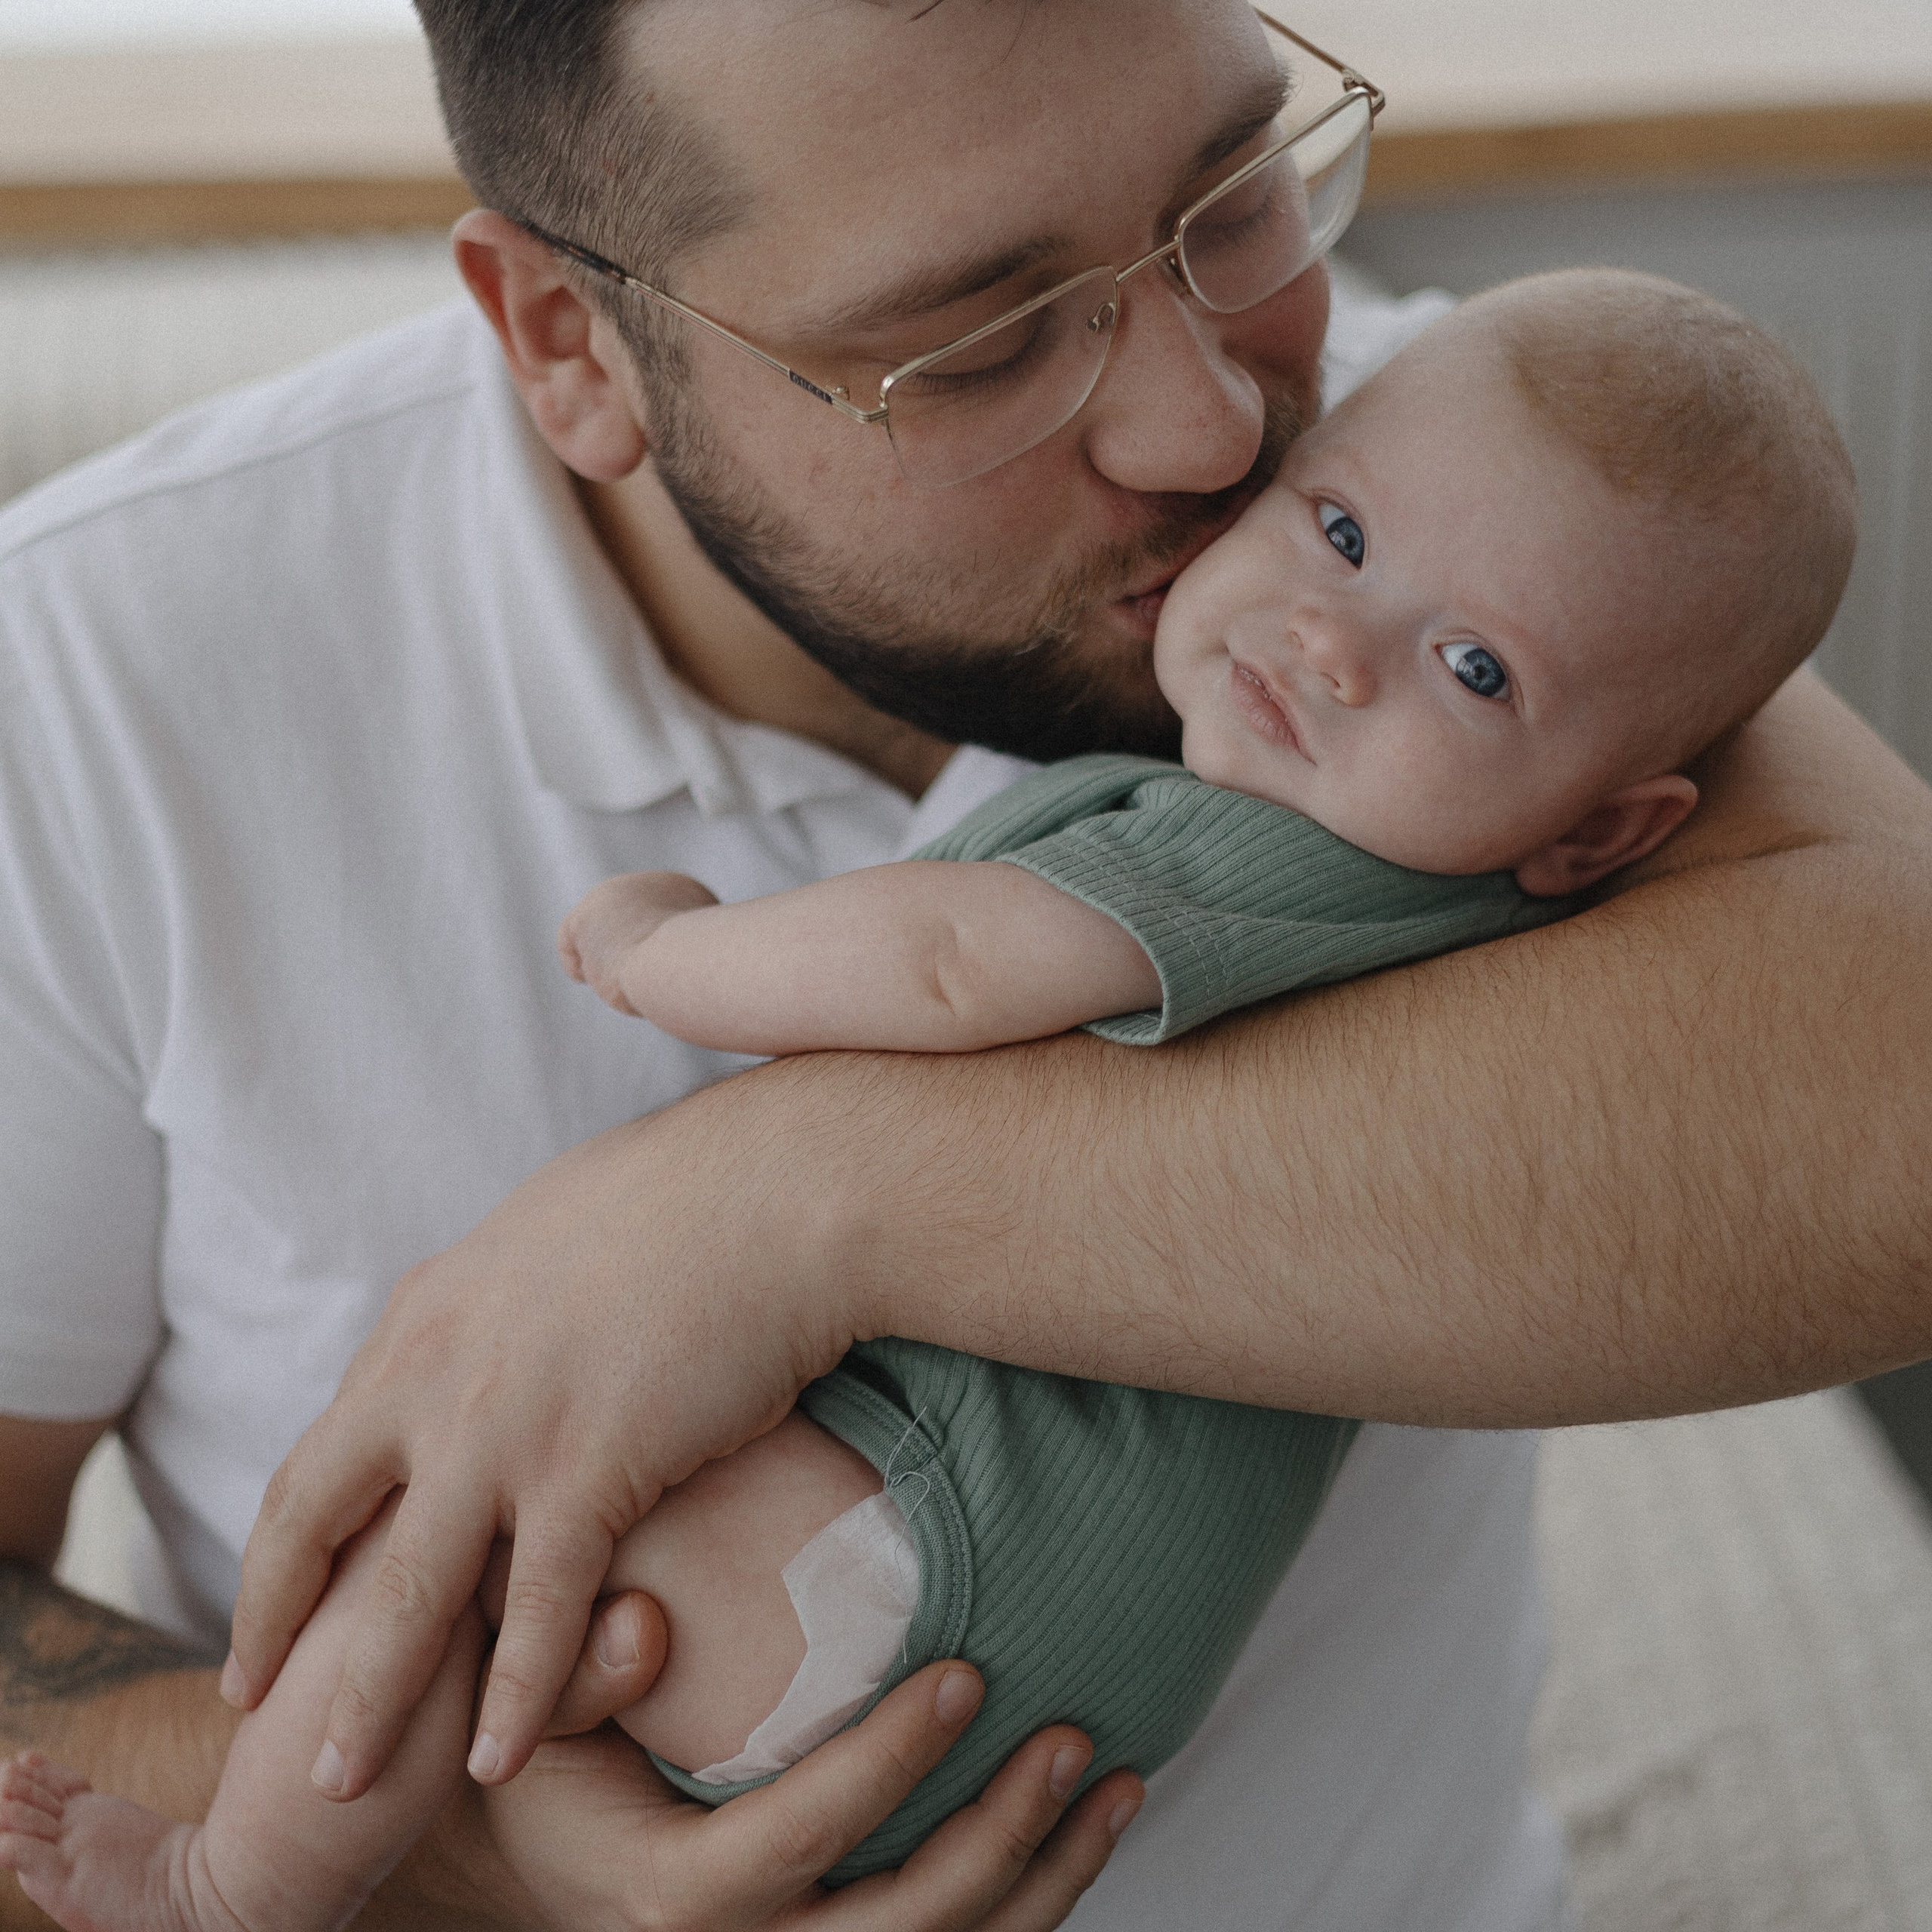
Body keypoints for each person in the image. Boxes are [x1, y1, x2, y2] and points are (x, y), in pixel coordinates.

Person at [0, 265, 1866, 1932]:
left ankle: (228, 1881)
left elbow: (950, 964)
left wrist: (672, 972)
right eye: (968, 331)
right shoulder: (94, 653)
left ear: (1608, 830)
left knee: (452, 1573)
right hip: (1034, 1687)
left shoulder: (1374, 586)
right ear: (574, 340)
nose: (1322, 634)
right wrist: (472, 1880)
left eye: (1470, 672)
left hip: (884, 1565)